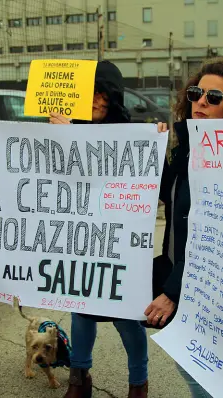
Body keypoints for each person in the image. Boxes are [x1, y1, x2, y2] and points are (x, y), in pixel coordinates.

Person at [50, 60, 148, 398]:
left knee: (126, 316)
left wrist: (159, 143)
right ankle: (80, 378)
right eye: (87, 93)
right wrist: (56, 136)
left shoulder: (134, 137)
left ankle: (139, 384)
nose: (94, 100)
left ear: (113, 97)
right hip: (81, 240)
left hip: (121, 242)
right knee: (82, 309)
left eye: (101, 93)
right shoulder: (67, 128)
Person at [145, 58, 223, 397]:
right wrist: (154, 153)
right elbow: (172, 199)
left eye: (214, 97)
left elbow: (215, 238)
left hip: (206, 293)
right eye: (195, 92)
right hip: (190, 285)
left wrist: (173, 292)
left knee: (203, 378)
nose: (201, 101)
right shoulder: (191, 150)